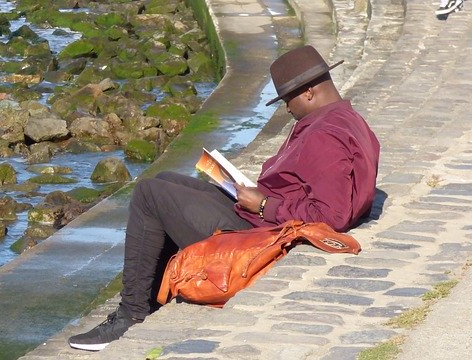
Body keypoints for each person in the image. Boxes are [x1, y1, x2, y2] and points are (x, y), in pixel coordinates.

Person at [67, 45, 380, 351]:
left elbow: (334, 215)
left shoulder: (323, 135)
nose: (286, 108)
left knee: (149, 194)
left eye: (287, 99)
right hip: (261, 218)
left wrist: (263, 205)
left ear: (308, 91)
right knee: (165, 181)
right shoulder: (345, 118)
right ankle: (150, 297)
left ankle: (131, 313)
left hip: (260, 235)